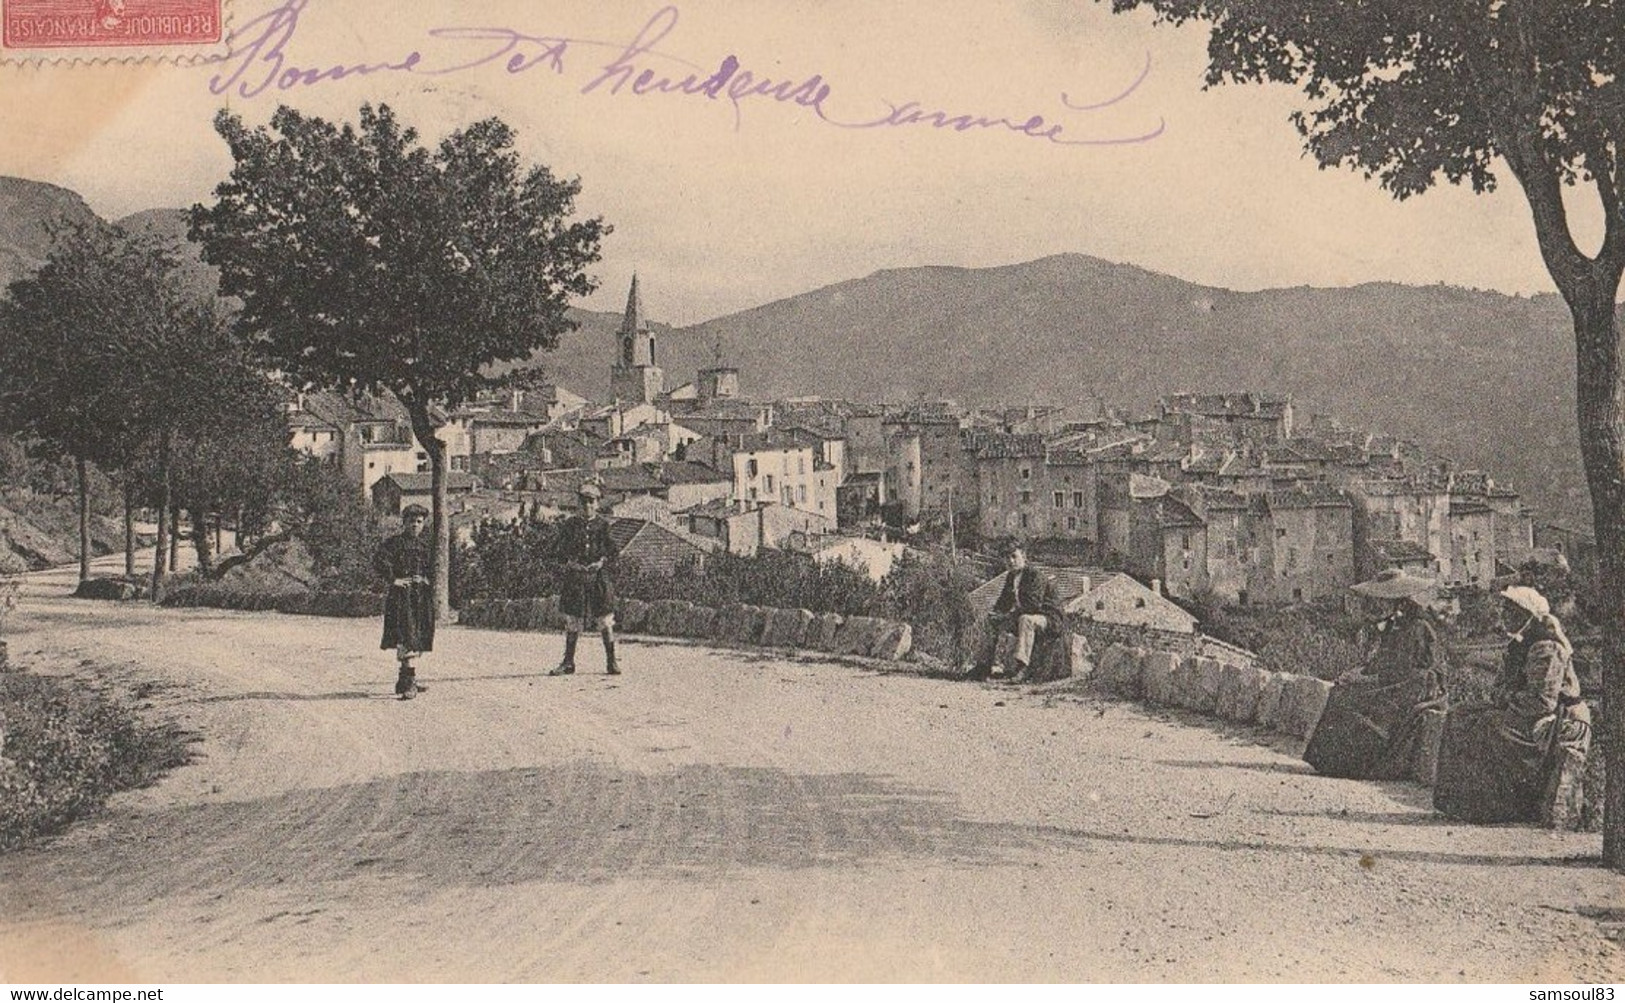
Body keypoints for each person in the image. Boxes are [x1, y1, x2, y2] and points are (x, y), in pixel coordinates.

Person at [1434, 585, 1592, 827]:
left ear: (1526, 614)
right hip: (1527, 710)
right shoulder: (1519, 644)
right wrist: (1506, 698)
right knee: (1459, 714)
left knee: (1489, 725)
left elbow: (1542, 701)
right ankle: (1458, 802)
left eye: (1510, 610)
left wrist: (1506, 699)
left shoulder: (1546, 647)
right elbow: (1499, 689)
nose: (1503, 614)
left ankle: (1501, 806)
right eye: (1503, 608)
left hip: (1560, 719)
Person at [1302, 569, 1448, 779]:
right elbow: (1382, 661)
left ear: (1398, 602)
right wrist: (1358, 672)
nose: (1377, 605)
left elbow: (1401, 670)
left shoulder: (1416, 628)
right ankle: (1334, 762)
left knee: (1349, 697)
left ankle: (1352, 764)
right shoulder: (1397, 624)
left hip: (1413, 685)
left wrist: (1364, 678)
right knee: (1341, 691)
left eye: (1382, 600)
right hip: (1396, 680)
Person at [964, 544, 1067, 682]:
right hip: (1025, 616)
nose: (1010, 561)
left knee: (1026, 620)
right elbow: (1003, 603)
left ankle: (1022, 668)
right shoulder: (1011, 577)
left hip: (1048, 618)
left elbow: (1033, 605)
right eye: (1007, 558)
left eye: (1014, 556)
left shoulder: (1034, 575)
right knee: (991, 622)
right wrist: (995, 614)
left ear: (1024, 557)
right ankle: (983, 666)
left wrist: (1007, 616)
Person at [549, 480, 620, 676]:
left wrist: (602, 562)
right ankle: (568, 662)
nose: (587, 506)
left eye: (591, 502)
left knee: (605, 620)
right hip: (576, 578)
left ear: (597, 504)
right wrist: (570, 563)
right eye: (583, 502)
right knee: (573, 620)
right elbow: (557, 551)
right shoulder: (570, 525)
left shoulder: (603, 526)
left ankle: (611, 662)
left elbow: (614, 551)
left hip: (598, 578)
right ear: (578, 504)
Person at [373, 503, 434, 701]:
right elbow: (379, 561)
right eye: (411, 522)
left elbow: (435, 567)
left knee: (418, 634)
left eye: (419, 522)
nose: (415, 525)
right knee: (406, 635)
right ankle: (409, 682)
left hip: (421, 597)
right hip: (402, 597)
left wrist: (427, 580)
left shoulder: (427, 545)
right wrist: (394, 580)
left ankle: (405, 679)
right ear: (404, 523)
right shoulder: (394, 544)